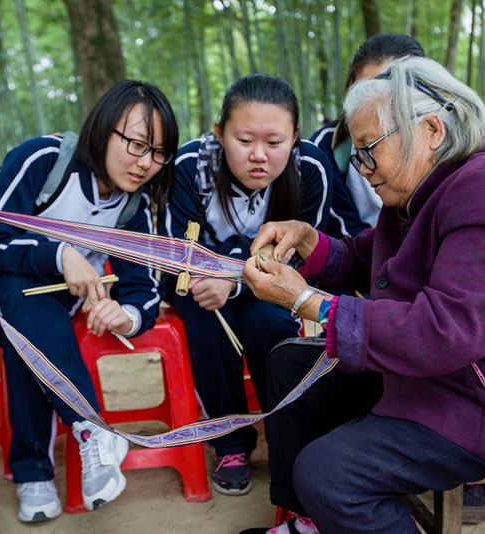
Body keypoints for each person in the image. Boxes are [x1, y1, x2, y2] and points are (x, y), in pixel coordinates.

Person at [241, 56, 485, 534]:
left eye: (370, 150)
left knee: (330, 473)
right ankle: (310, 521)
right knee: (291, 361)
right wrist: (307, 238)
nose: (362, 168)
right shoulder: (424, 190)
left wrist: (308, 301)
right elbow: (374, 260)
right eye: (357, 153)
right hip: (452, 375)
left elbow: (443, 331)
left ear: (431, 129)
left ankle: (330, 502)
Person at [0, 80, 178, 522]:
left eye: (158, 153)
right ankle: (89, 427)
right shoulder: (45, 161)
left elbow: (143, 285)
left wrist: (128, 314)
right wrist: (60, 253)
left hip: (53, 303)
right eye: (137, 144)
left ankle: (34, 473)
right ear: (102, 128)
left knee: (25, 329)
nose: (145, 164)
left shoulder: (131, 207)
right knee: (20, 295)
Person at [159, 73, 332, 496]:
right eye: (243, 140)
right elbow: (180, 252)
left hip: (274, 282)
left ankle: (284, 435)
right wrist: (221, 277)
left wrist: (235, 279)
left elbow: (306, 249)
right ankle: (230, 442)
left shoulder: (310, 170)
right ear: (219, 134)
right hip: (199, 283)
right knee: (205, 318)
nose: (258, 156)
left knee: (269, 322)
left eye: (274, 143)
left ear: (295, 137)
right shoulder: (187, 168)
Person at [310, 33, 424, 238]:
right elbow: (346, 235)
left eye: (388, 90)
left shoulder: (445, 147)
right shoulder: (329, 147)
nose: (374, 102)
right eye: (363, 91)